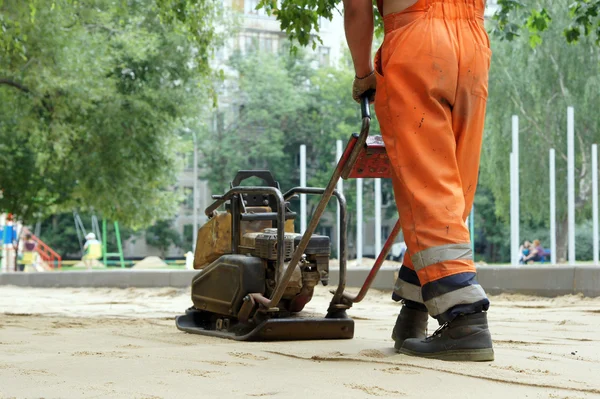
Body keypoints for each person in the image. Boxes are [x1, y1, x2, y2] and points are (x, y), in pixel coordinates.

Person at [343, 0, 493, 361]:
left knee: (429, 188)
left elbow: (356, 10)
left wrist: (364, 74)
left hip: (416, 42)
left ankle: (465, 317)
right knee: (453, 186)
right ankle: (414, 309)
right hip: (473, 45)